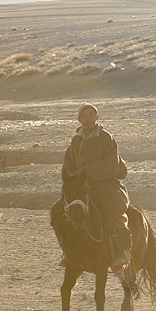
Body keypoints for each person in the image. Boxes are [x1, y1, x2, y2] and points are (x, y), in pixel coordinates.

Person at [62, 103, 131, 275]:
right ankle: (68, 251)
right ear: (79, 119)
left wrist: (84, 173)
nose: (87, 119)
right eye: (84, 116)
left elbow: (111, 165)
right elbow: (68, 163)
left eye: (90, 115)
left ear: (96, 117)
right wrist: (73, 178)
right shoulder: (75, 140)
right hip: (81, 185)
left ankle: (121, 251)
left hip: (105, 183)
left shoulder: (106, 138)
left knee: (113, 209)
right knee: (62, 210)